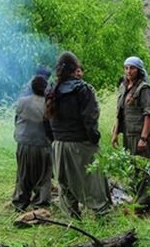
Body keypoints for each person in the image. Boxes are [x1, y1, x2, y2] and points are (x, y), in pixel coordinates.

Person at [46, 52, 111, 218]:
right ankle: (102, 215)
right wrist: (94, 139)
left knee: (65, 184)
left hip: (59, 144)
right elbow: (90, 118)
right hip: (80, 143)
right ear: (75, 69)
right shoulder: (83, 89)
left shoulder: (52, 90)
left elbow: (46, 120)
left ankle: (72, 220)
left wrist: (53, 140)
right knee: (94, 182)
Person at [111, 56, 150, 214]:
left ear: (139, 70)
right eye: (126, 68)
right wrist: (115, 133)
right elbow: (120, 113)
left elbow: (149, 115)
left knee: (143, 168)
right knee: (132, 168)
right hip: (128, 134)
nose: (128, 71)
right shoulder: (123, 87)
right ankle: (135, 199)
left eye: (132, 68)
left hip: (140, 135)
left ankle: (143, 204)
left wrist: (144, 138)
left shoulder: (144, 89)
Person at [11, 75, 52, 212]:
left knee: (23, 175)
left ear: (32, 88)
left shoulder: (22, 102)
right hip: (43, 145)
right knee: (44, 177)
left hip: (24, 143)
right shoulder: (49, 104)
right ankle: (40, 205)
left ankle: (20, 203)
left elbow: (16, 121)